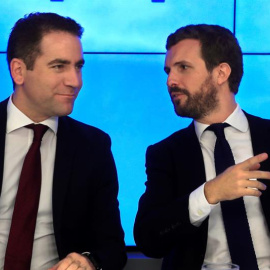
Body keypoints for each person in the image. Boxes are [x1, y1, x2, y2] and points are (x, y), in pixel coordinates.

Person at [134, 24, 270, 270]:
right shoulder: (166, 154)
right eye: (168, 71)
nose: (170, 81)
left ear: (221, 73)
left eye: (183, 68)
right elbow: (149, 240)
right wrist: (208, 194)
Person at [0, 12, 126, 270]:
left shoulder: (93, 147)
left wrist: (89, 263)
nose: (75, 81)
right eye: (59, 66)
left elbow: (112, 249)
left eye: (78, 66)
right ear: (19, 70)